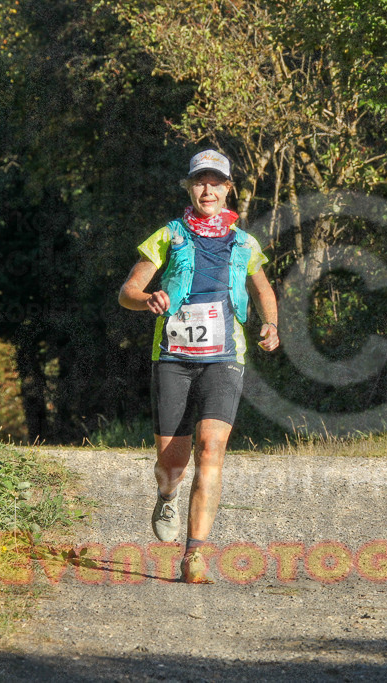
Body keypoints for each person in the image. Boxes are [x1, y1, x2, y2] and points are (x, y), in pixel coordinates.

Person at [118, 149, 279, 583]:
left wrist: (271, 324)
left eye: (215, 182)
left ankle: (195, 555)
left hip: (224, 358)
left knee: (211, 449)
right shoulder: (168, 236)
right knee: (173, 463)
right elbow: (128, 291)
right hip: (172, 357)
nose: (207, 189)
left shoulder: (245, 243)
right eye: (199, 181)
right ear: (190, 187)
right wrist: (146, 299)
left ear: (228, 189)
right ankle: (167, 494)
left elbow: (263, 290)